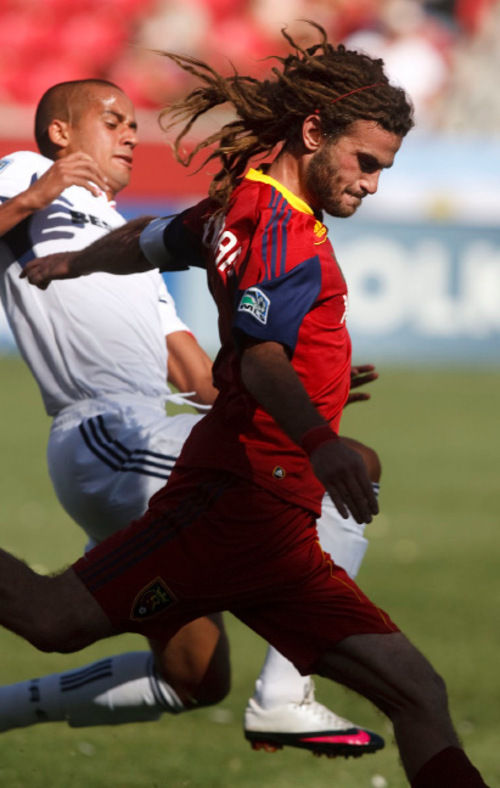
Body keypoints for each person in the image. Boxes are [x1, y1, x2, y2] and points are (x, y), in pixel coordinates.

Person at [7, 26, 489, 786]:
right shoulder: (280, 233)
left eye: (383, 170)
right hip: (232, 504)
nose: (371, 184)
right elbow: (260, 356)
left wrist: (71, 261)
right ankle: (284, 694)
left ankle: (282, 693)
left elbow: (150, 240)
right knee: (50, 619)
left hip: (282, 533)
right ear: (312, 132)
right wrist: (319, 437)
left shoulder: (240, 206)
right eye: (364, 163)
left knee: (418, 694)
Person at [0, 78, 385, 758]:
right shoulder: (26, 177)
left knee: (194, 673)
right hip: (108, 431)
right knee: (341, 473)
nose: (130, 134)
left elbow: (199, 379)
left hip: (146, 433)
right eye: (112, 119)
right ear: (60, 132)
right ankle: (286, 696)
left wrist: (303, 388)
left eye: (132, 123)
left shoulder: (126, 252)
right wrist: (37, 192)